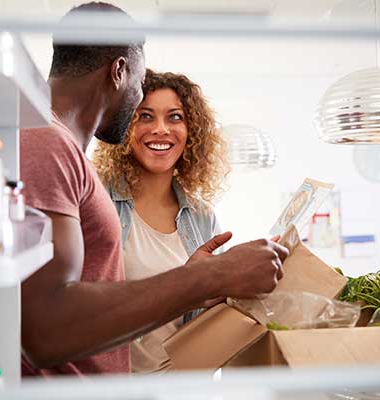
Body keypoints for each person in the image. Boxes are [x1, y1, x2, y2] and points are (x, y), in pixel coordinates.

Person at [20, 2, 288, 377]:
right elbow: (43, 331)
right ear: (119, 71)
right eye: (140, 86)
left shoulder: (52, 144)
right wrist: (210, 276)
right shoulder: (47, 143)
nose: (140, 109)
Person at [92, 69, 229, 373]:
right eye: (145, 116)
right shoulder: (97, 201)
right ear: (126, 124)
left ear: (191, 130)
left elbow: (214, 320)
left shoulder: (202, 217)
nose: (161, 129)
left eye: (175, 117)